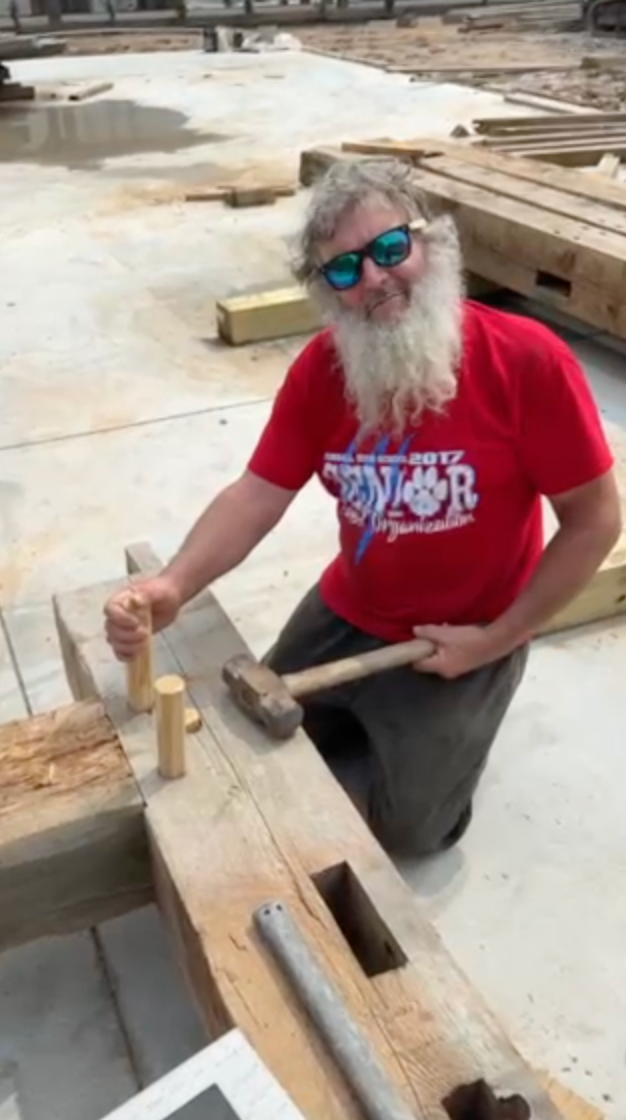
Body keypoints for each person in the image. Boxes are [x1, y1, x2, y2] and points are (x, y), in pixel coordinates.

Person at [103, 157, 621, 858]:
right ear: (329, 293)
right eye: (345, 270)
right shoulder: (323, 373)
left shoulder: (528, 362)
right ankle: (375, 721)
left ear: (429, 244)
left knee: (410, 832)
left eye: (387, 250)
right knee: (253, 746)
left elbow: (594, 521)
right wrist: (174, 584)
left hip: (467, 626)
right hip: (352, 605)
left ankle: (435, 730)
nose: (375, 279)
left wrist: (499, 637)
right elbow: (258, 492)